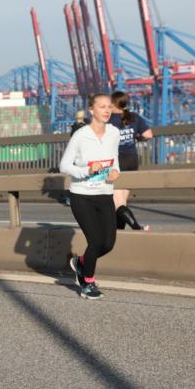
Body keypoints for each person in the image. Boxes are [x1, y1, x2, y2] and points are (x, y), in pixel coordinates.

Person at [60, 94, 121, 300]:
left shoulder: (114, 133)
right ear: (91, 110)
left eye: (109, 107)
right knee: (95, 241)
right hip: (82, 195)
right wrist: (86, 170)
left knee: (108, 243)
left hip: (105, 193)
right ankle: (87, 282)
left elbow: (114, 160)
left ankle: (81, 262)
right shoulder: (80, 135)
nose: (107, 110)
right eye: (102, 107)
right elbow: (64, 166)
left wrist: (116, 172)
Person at [109, 91, 153, 231]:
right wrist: (136, 139)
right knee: (122, 202)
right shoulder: (134, 117)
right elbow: (148, 135)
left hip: (117, 161)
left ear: (113, 103)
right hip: (132, 160)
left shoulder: (108, 119)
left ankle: (137, 228)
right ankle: (119, 233)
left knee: (117, 203)